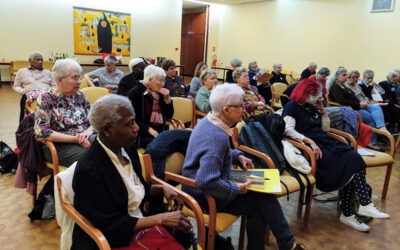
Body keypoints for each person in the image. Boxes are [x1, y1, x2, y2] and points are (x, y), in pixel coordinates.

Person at [182, 83, 305, 250]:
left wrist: (237, 156)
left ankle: (287, 243)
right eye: (240, 105)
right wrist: (234, 188)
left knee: (263, 192)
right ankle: (287, 244)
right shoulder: (216, 138)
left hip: (210, 182)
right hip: (203, 195)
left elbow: (213, 156)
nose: (244, 108)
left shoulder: (209, 122)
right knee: (260, 204)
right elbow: (205, 180)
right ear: (226, 110)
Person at [72, 94, 190, 249]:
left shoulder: (126, 146)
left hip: (134, 224)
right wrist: (159, 219)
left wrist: (161, 188)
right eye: (130, 124)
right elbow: (109, 226)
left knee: (186, 233)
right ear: (107, 130)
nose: (137, 128)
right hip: (110, 240)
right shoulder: (88, 170)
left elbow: (131, 187)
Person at [283, 79, 390, 232]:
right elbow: (287, 130)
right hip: (310, 149)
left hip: (324, 143)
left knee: (353, 158)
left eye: (317, 93)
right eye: (312, 94)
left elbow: (325, 129)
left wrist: (323, 111)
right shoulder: (292, 106)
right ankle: (351, 212)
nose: (316, 96)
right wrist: (308, 141)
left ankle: (360, 207)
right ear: (303, 93)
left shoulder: (312, 107)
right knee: (347, 163)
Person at [34, 58, 94, 167]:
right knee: (93, 157)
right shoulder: (46, 98)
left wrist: (87, 132)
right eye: (75, 78)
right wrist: (75, 139)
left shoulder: (80, 96)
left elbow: (94, 121)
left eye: (79, 77)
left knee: (115, 143)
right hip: (59, 145)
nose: (79, 81)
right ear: (60, 79)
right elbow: (43, 132)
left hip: (85, 137)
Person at [329, 68, 388, 150]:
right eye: (344, 75)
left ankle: (381, 127)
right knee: (369, 117)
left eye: (346, 75)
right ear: (337, 76)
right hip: (349, 108)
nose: (346, 77)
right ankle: (370, 142)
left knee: (376, 107)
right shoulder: (336, 87)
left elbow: (354, 97)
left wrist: (365, 101)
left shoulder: (343, 86)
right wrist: (359, 104)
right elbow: (341, 100)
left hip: (357, 105)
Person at [128, 65, 174, 149]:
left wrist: (167, 99)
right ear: (150, 80)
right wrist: (149, 129)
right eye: (160, 81)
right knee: (160, 147)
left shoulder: (159, 93)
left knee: (181, 142)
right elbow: (133, 119)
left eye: (164, 80)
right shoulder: (136, 93)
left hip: (160, 131)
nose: (163, 84)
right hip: (142, 134)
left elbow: (169, 116)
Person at [13, 51, 56, 122]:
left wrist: (50, 93)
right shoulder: (22, 72)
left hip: (46, 98)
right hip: (28, 97)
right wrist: (23, 92)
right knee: (24, 102)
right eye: (37, 60)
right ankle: (24, 128)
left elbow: (54, 86)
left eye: (42, 60)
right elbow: (16, 86)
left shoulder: (48, 72)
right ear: (30, 61)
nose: (40, 62)